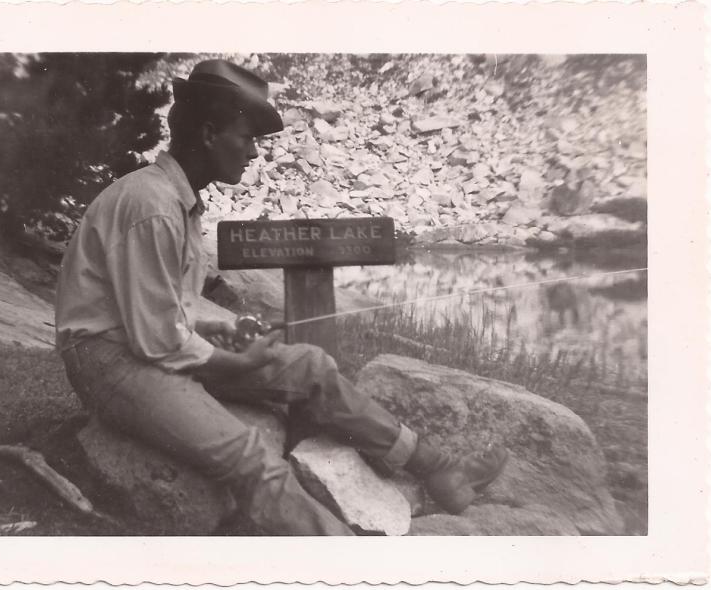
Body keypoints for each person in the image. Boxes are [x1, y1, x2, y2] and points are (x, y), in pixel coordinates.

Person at [55, 59, 508, 535]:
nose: (253, 153)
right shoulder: (151, 206)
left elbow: (167, 305)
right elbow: (158, 340)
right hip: (110, 363)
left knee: (311, 366)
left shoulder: (176, 199)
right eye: (246, 137)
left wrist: (225, 327)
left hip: (142, 344)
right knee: (250, 456)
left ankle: (437, 467)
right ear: (210, 133)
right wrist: (241, 364)